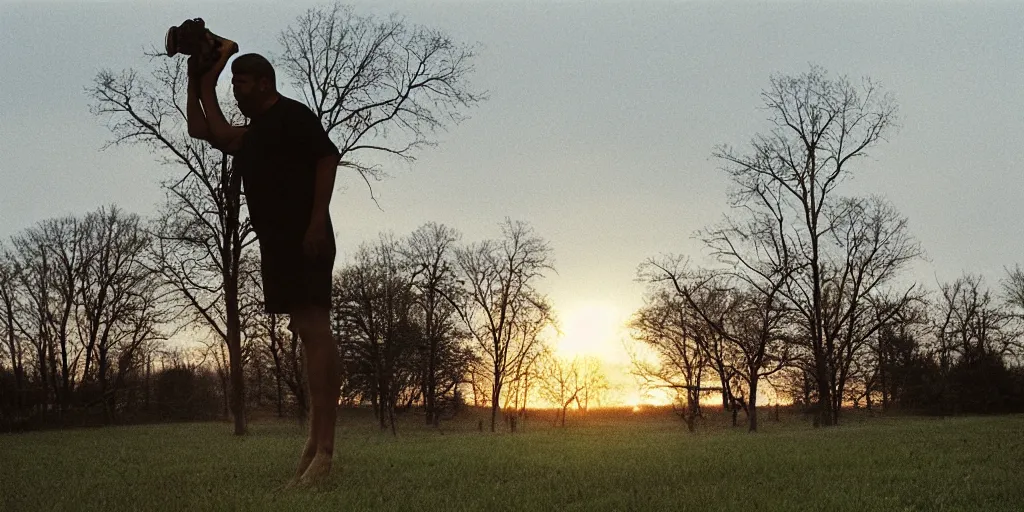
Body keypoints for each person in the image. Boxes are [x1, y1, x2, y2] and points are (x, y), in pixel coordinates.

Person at [185, 36, 342, 486]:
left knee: (315, 329)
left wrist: (316, 222)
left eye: (243, 82)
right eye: (233, 83)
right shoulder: (253, 136)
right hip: (276, 246)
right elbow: (203, 127)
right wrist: (199, 78)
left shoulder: (292, 115)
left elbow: (328, 158)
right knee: (309, 332)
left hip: (306, 239)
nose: (236, 90)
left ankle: (324, 451)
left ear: (265, 83)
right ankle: (315, 444)